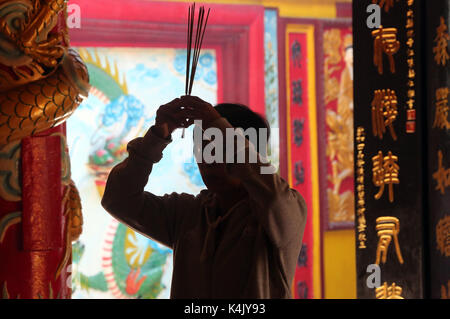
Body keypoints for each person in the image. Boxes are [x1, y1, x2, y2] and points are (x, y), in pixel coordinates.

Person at [101, 95, 307, 298]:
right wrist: (156, 136)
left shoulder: (283, 210)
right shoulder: (188, 214)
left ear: (249, 152)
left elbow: (274, 200)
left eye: (218, 147)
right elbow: (119, 199)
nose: (205, 160)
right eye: (201, 147)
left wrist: (218, 124)